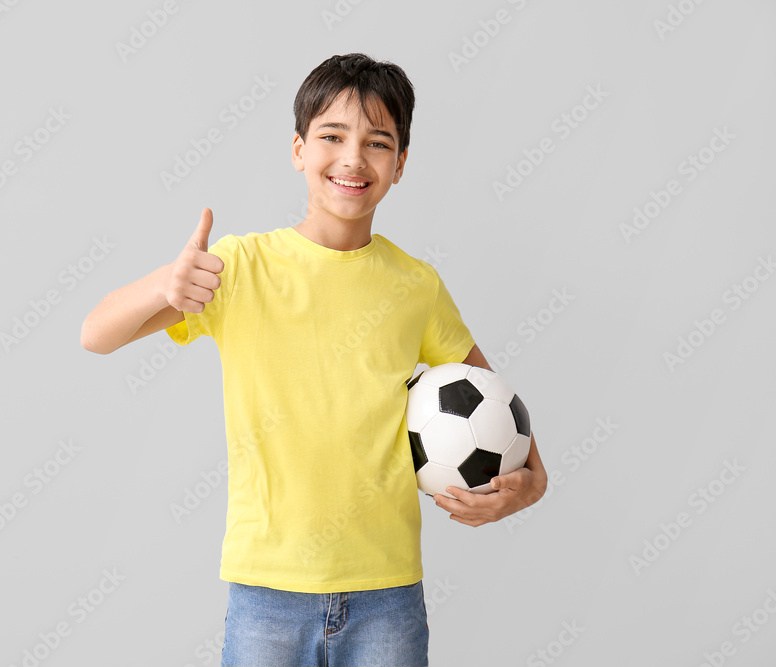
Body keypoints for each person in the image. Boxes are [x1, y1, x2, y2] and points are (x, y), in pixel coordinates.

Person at [81, 52, 548, 667]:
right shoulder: (241, 266)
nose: (353, 158)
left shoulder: (416, 285)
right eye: (332, 136)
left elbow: (495, 406)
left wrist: (530, 486)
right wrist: (167, 284)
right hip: (266, 594)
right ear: (299, 149)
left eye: (378, 142)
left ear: (400, 164)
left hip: (387, 596)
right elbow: (97, 334)